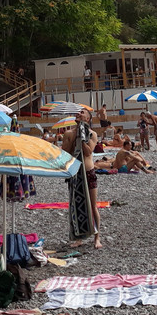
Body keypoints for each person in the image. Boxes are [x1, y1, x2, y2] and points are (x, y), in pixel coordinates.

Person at [61, 107, 101, 249]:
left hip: (88, 171)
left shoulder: (92, 134)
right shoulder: (68, 133)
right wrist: (74, 138)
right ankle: (79, 238)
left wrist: (82, 137)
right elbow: (64, 153)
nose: (79, 113)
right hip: (76, 173)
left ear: (88, 118)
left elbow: (89, 151)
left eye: (82, 112)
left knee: (92, 205)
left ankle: (97, 237)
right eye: (78, 112)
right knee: (76, 206)